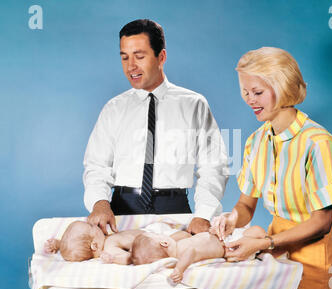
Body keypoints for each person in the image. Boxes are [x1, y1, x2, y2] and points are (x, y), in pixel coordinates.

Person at [210, 47, 332, 289]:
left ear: (283, 88)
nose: (250, 100)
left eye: (258, 92)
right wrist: (231, 219)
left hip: (313, 255)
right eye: (245, 92)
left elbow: (322, 223)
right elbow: (246, 204)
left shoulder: (317, 143)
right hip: (273, 248)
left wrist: (265, 244)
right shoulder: (255, 141)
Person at [83, 19, 229, 236]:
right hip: (120, 211)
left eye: (139, 57)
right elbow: (97, 165)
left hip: (175, 210)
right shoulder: (113, 109)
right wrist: (99, 202)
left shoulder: (193, 104)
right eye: (125, 57)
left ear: (161, 57)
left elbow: (213, 166)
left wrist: (204, 214)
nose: (131, 66)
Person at [131, 225, 266, 283]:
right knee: (257, 231)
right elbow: (191, 252)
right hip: (229, 246)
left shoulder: (178, 244)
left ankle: (263, 248)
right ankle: (267, 247)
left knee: (255, 235)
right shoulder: (181, 255)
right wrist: (180, 269)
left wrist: (171, 237)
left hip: (223, 238)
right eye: (158, 235)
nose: (161, 234)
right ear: (164, 243)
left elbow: (184, 234)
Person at [44, 220, 143, 264]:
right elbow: (129, 258)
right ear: (94, 245)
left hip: (147, 235)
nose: (94, 224)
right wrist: (114, 259)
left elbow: (74, 244)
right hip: (150, 241)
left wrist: (59, 244)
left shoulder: (104, 241)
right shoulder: (109, 247)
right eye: (91, 226)